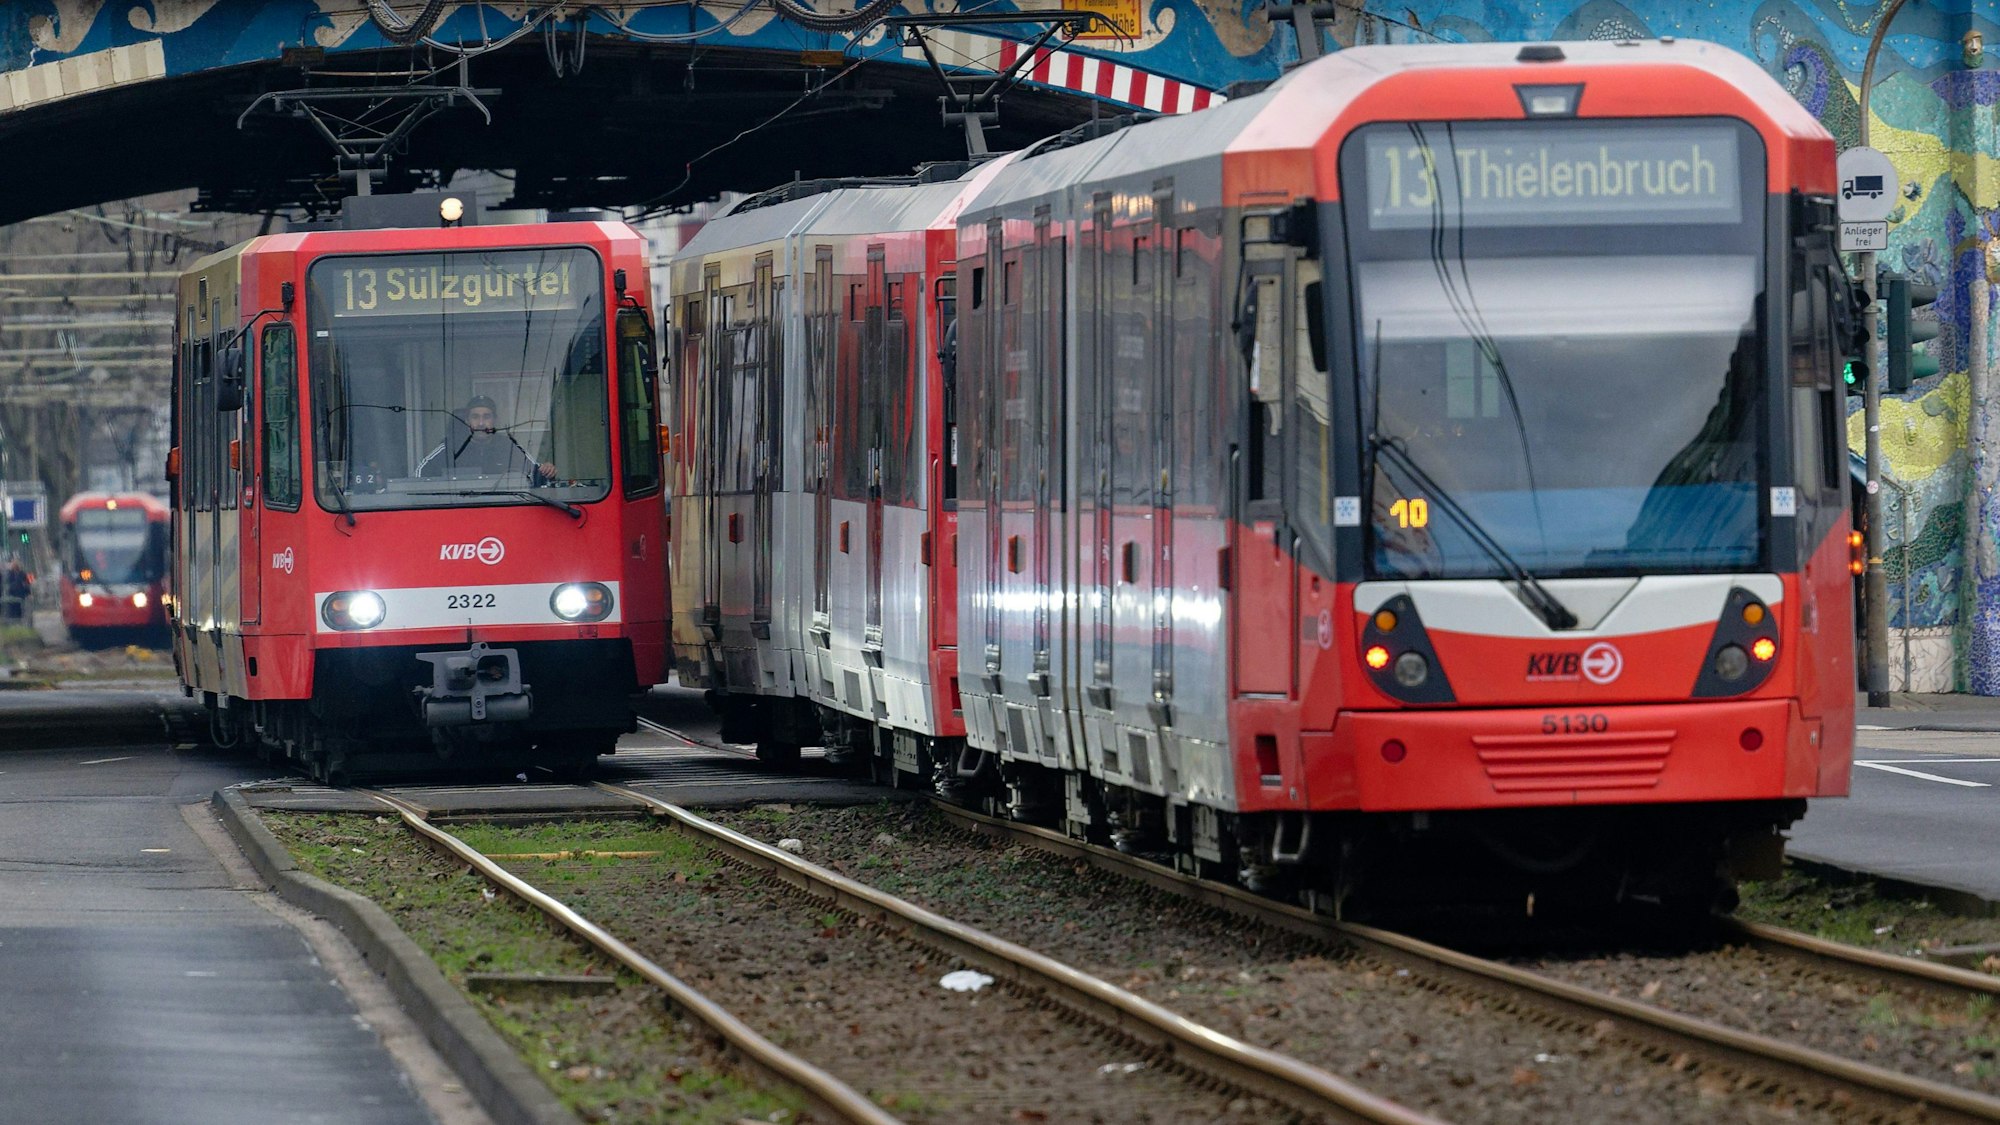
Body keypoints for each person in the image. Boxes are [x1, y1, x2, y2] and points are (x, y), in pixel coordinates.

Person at [418, 395, 558, 484]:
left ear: (494, 420)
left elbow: (537, 474)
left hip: (501, 513)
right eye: (475, 417)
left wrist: (547, 471)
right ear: (467, 420)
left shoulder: (509, 446)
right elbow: (419, 474)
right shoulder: (449, 448)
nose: (480, 423)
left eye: (486, 417)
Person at [2, 556, 31, 623]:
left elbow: (27, 583)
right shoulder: (9, 573)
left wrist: (29, 593)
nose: (14, 565)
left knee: (20, 609)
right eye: (13, 564)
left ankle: (19, 621)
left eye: (16, 564)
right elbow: (6, 583)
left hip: (20, 594)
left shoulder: (23, 573)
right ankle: (13, 622)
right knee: (12, 609)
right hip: (12, 594)